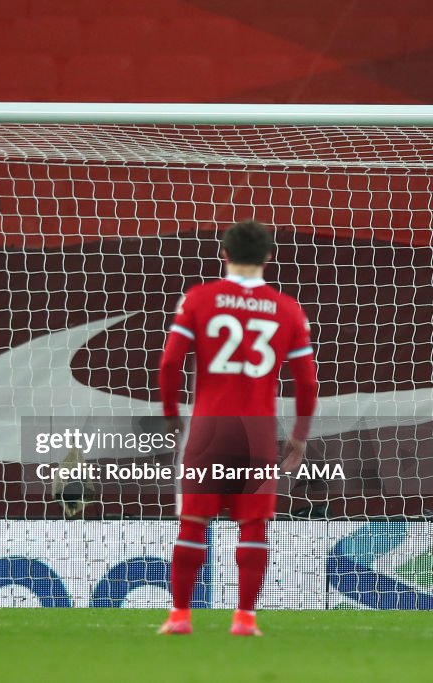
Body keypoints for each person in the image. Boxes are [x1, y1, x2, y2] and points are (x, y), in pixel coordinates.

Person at [156, 220, 318, 637]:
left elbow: (170, 363)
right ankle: (244, 619)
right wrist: (299, 437)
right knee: (253, 527)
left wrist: (173, 414)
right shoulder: (287, 309)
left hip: (209, 429)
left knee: (193, 523)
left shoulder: (199, 298)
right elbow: (307, 382)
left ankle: (180, 617)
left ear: (223, 254)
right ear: (268, 257)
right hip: (258, 433)